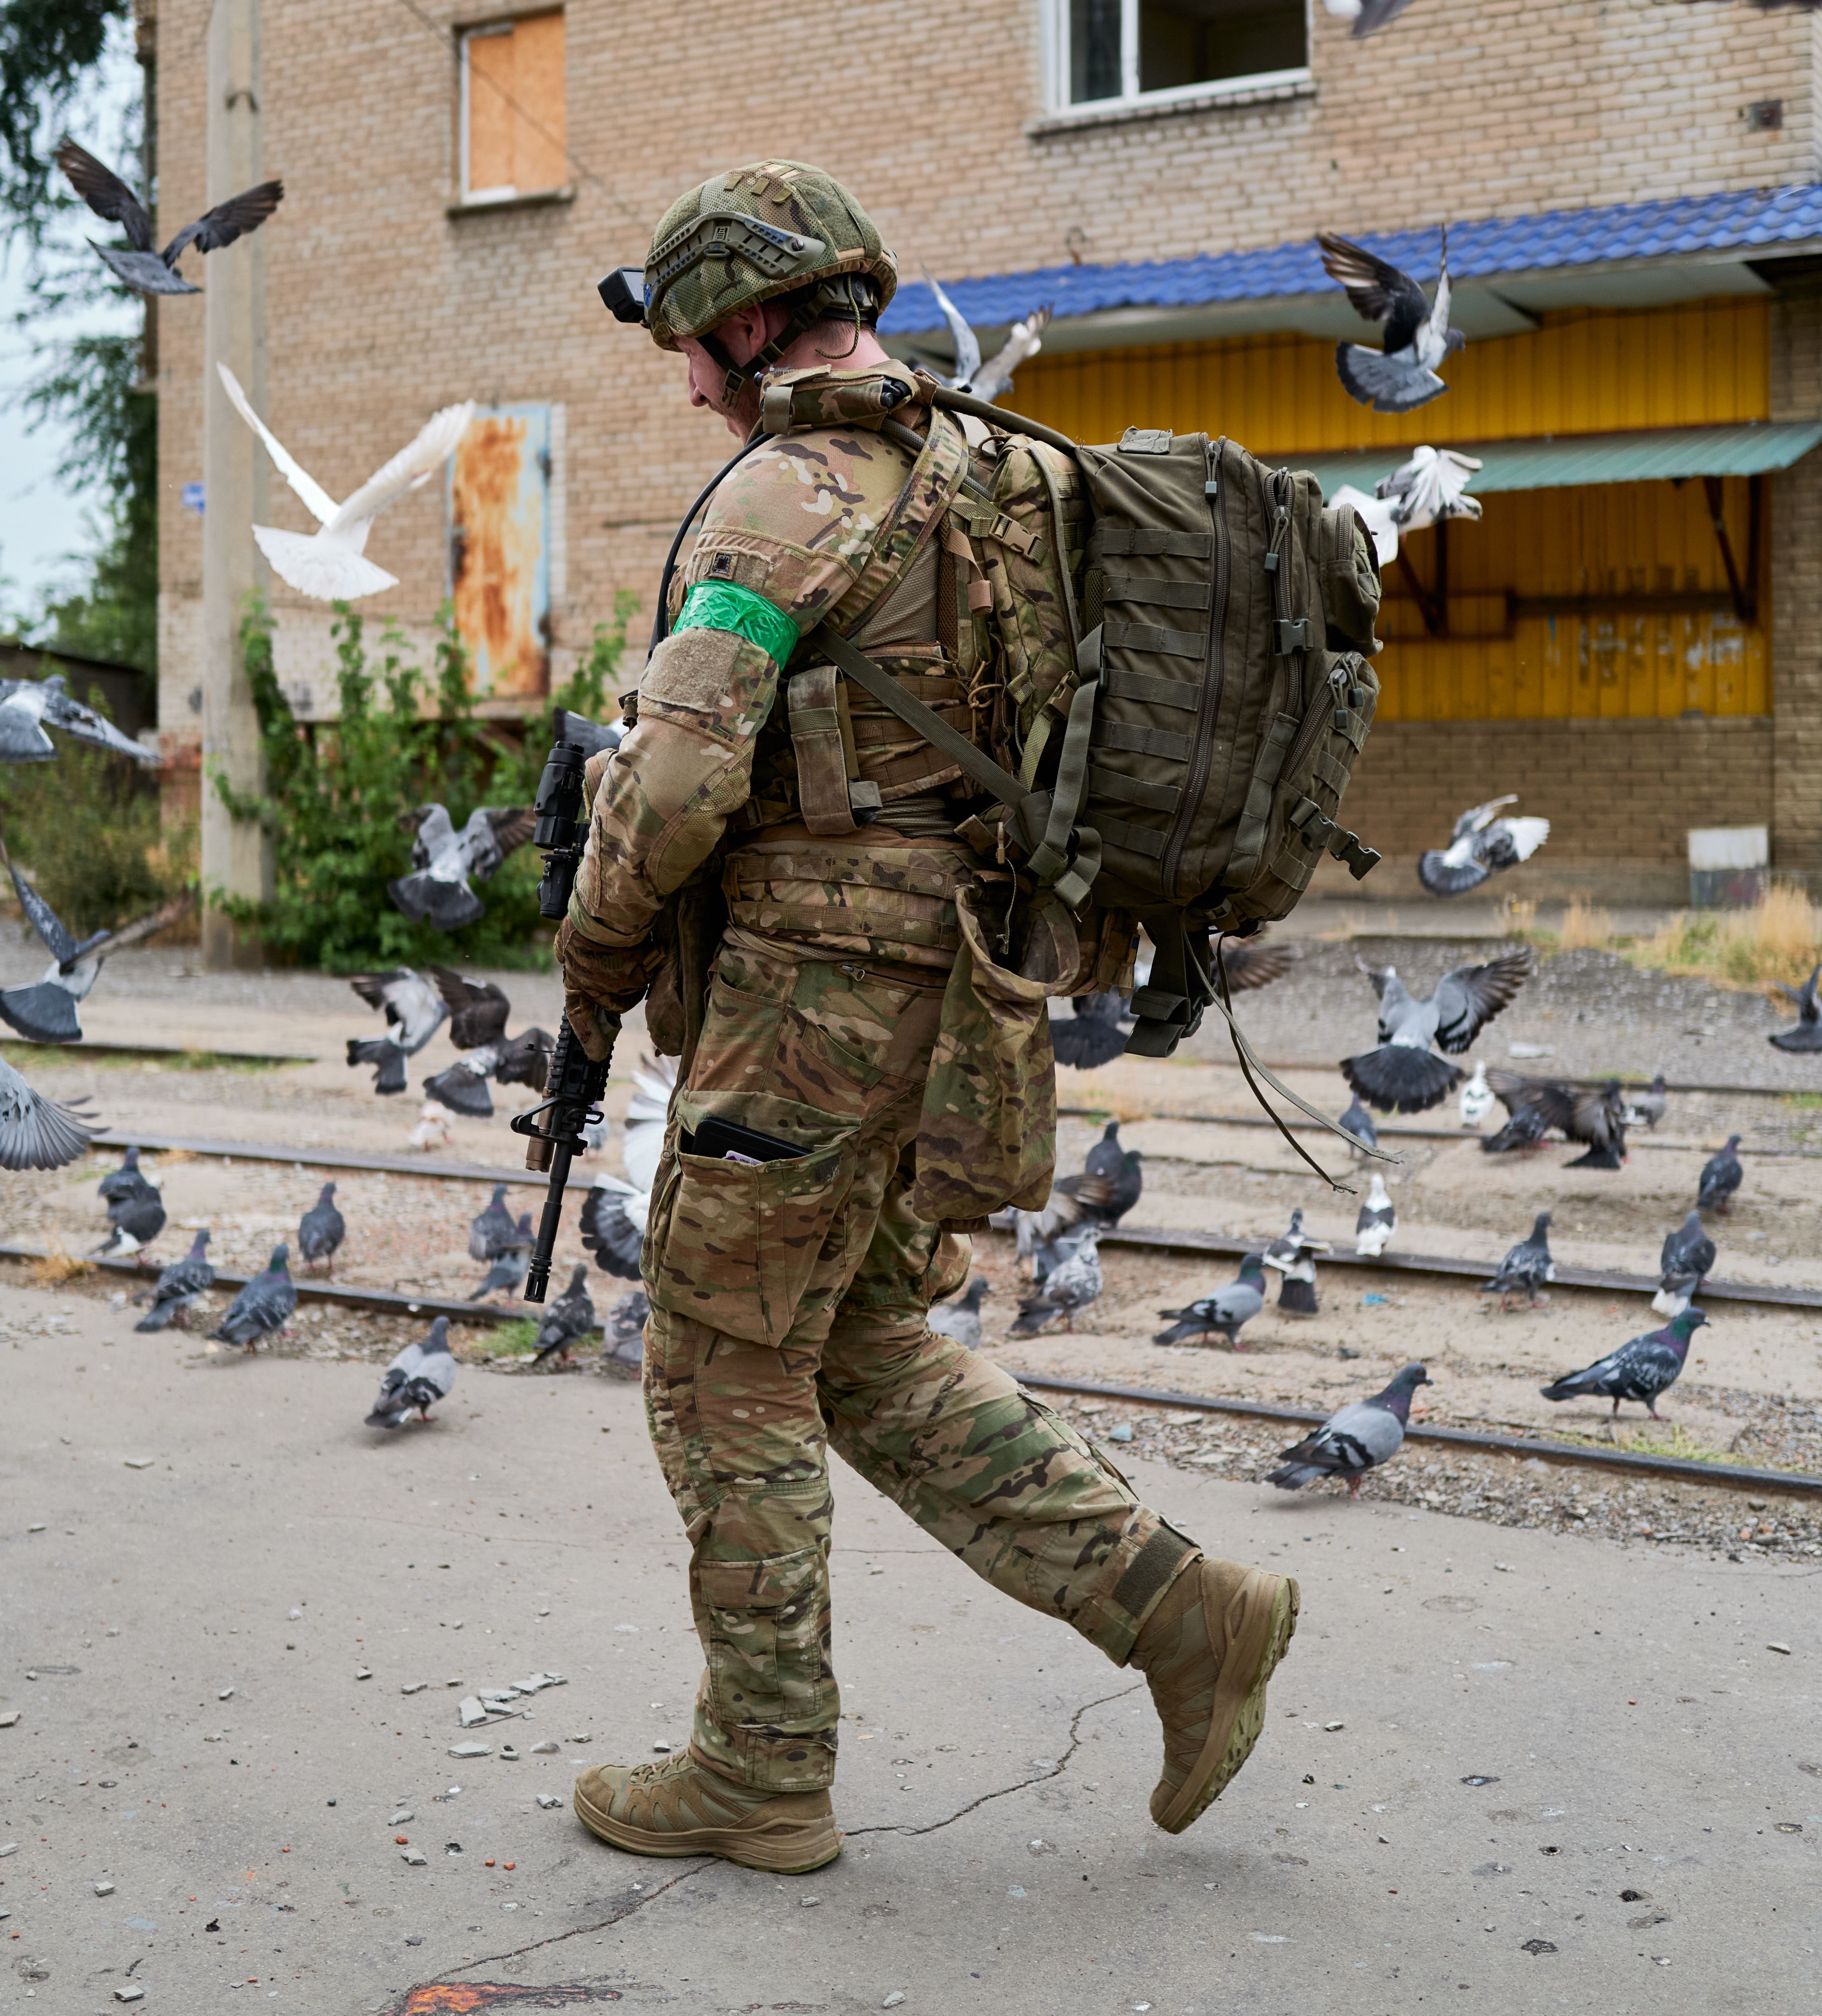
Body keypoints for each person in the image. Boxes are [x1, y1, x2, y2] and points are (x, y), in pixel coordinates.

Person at [547, 159, 1298, 1877]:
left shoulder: (783, 497)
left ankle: (761, 1765)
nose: (682, 384)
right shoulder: (1002, 475)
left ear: (749, 324)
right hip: (958, 990)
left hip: (810, 1001)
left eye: (688, 348)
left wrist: (597, 955)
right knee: (856, 1347)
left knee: (721, 1361)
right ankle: (1189, 1617)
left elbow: (673, 785)